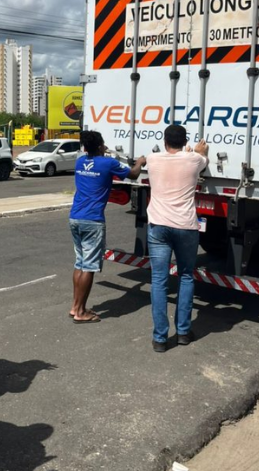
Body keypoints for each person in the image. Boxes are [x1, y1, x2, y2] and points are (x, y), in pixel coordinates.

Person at [68, 131, 146, 323]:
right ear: (101, 146)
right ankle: (81, 312)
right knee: (90, 267)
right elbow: (133, 174)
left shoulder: (80, 162)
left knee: (80, 263)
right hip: (92, 220)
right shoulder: (108, 163)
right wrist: (140, 162)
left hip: (75, 217)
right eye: (103, 144)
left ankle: (75, 306)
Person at [147, 126, 209, 353]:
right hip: (185, 227)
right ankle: (183, 332)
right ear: (185, 142)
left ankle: (160, 339)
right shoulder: (194, 159)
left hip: (158, 228)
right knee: (185, 276)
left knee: (159, 281)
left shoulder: (153, 159)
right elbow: (202, 158)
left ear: (165, 142)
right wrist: (200, 151)